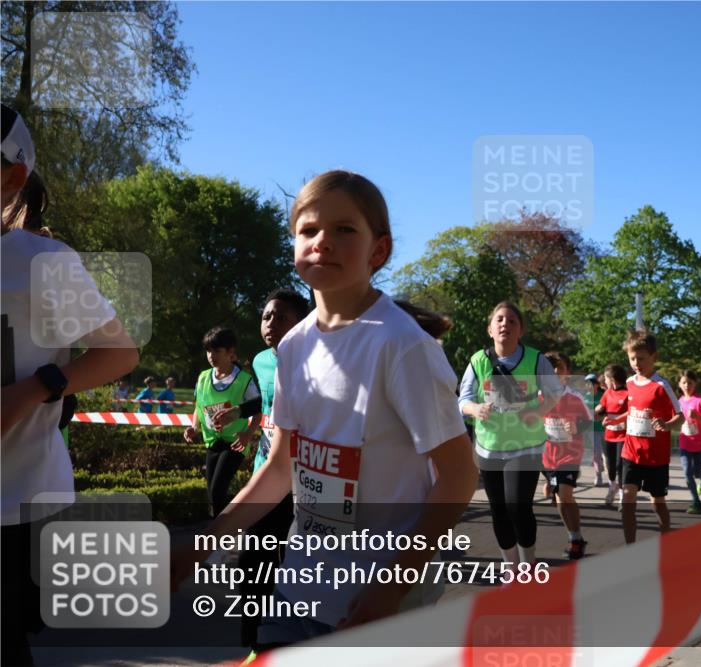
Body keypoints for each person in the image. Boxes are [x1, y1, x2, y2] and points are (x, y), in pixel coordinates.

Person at [172, 170, 477, 651]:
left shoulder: (401, 346)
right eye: (309, 230)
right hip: (298, 590)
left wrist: (389, 592)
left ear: (379, 250)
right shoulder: (293, 347)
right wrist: (208, 538)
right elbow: (279, 470)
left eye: (344, 230)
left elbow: (458, 478)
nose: (323, 242)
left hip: (380, 607)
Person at [1, 103, 139, 666]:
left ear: (12, 176)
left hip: (17, 504)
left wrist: (33, 388)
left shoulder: (43, 261)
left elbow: (119, 352)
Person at [211, 288, 310, 651]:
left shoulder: (318, 359)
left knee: (298, 567)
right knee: (253, 562)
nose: (271, 323)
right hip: (267, 472)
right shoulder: (262, 360)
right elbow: (264, 399)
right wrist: (240, 411)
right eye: (267, 316)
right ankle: (255, 646)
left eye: (281, 317)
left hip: (309, 481)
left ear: (303, 322)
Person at [459, 301, 561, 566]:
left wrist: (537, 412)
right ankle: (510, 567)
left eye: (512, 321)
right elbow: (463, 399)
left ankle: (527, 564)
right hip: (489, 446)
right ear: (490, 329)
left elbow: (554, 393)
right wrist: (476, 409)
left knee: (517, 506)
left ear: (521, 330)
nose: (505, 324)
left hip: (525, 445)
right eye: (500, 320)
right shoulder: (478, 361)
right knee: (499, 511)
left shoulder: (536, 359)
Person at [183, 327, 261, 517]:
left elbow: (259, 409)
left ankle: (221, 536)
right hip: (213, 442)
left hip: (235, 443)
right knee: (213, 495)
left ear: (231, 353)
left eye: (217, 351)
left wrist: (248, 434)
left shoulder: (244, 380)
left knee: (217, 491)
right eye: (209, 350)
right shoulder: (203, 378)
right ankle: (231, 529)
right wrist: (195, 428)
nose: (211, 356)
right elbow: (199, 407)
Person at [620, 329, 682, 543]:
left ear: (654, 357)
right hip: (630, 453)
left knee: (657, 502)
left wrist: (666, 424)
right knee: (627, 498)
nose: (637, 363)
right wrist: (616, 420)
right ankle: (631, 546)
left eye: (642, 358)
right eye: (632, 358)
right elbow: (633, 410)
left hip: (655, 457)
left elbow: (681, 417)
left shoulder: (662, 386)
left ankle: (666, 537)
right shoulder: (628, 383)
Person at [541, 352, 592, 559]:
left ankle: (574, 539)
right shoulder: (539, 397)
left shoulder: (575, 397)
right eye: (550, 368)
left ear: (567, 373)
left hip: (569, 455)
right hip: (547, 457)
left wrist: (576, 426)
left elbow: (588, 421)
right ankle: (576, 537)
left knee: (564, 495)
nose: (554, 372)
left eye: (559, 367)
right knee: (559, 498)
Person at [677, 370, 701, 514]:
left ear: (695, 384)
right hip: (685, 443)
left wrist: (697, 416)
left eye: (690, 383)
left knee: (697, 473)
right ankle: (696, 502)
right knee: (687, 473)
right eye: (684, 382)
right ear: (680, 384)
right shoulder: (678, 402)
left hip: (699, 444)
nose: (687, 385)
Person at [595, 363, 629, 507]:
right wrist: (598, 411)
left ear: (612, 379)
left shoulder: (628, 393)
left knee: (620, 465)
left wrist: (617, 419)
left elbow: (631, 412)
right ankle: (612, 487)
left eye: (606, 379)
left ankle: (622, 495)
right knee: (610, 465)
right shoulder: (608, 393)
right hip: (609, 434)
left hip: (623, 435)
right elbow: (600, 407)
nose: (604, 382)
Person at [583, 373, 606, 487]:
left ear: (597, 384)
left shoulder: (603, 395)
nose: (589, 385)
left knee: (605, 454)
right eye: (587, 383)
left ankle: (611, 476)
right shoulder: (584, 397)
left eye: (591, 383)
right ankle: (598, 475)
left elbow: (610, 408)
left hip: (605, 428)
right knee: (596, 452)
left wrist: (602, 416)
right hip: (591, 430)